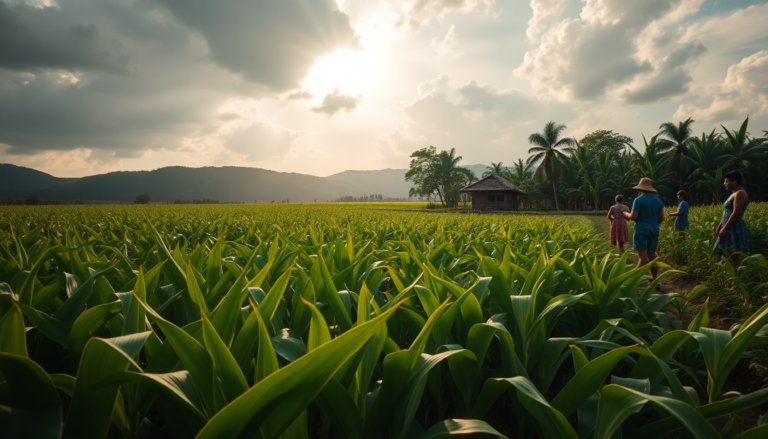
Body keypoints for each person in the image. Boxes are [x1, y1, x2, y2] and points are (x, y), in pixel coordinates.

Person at [624, 178, 665, 281]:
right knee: (652, 253)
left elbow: (633, 217)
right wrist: (654, 225)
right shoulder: (658, 200)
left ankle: (636, 276)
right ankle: (654, 278)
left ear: (640, 189)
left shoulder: (638, 200)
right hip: (654, 228)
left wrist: (626, 214)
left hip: (641, 228)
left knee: (642, 255)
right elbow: (661, 218)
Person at [714, 170, 749, 267]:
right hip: (728, 225)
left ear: (735, 180)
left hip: (734, 227)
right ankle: (728, 274)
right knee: (724, 251)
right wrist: (720, 225)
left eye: (726, 181)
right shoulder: (734, 193)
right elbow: (727, 212)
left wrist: (725, 228)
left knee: (735, 254)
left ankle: (737, 276)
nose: (724, 184)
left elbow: (736, 212)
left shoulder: (740, 193)